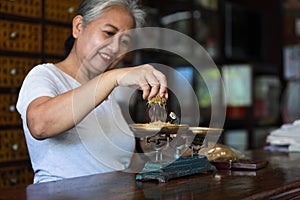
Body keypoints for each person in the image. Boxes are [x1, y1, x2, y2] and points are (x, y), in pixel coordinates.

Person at [16, 0, 168, 184]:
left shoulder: (109, 95)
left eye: (125, 42)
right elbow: (40, 125)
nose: (115, 48)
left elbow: (119, 161)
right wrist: (113, 77)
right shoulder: (46, 75)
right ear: (78, 27)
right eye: (109, 33)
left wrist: (160, 148)